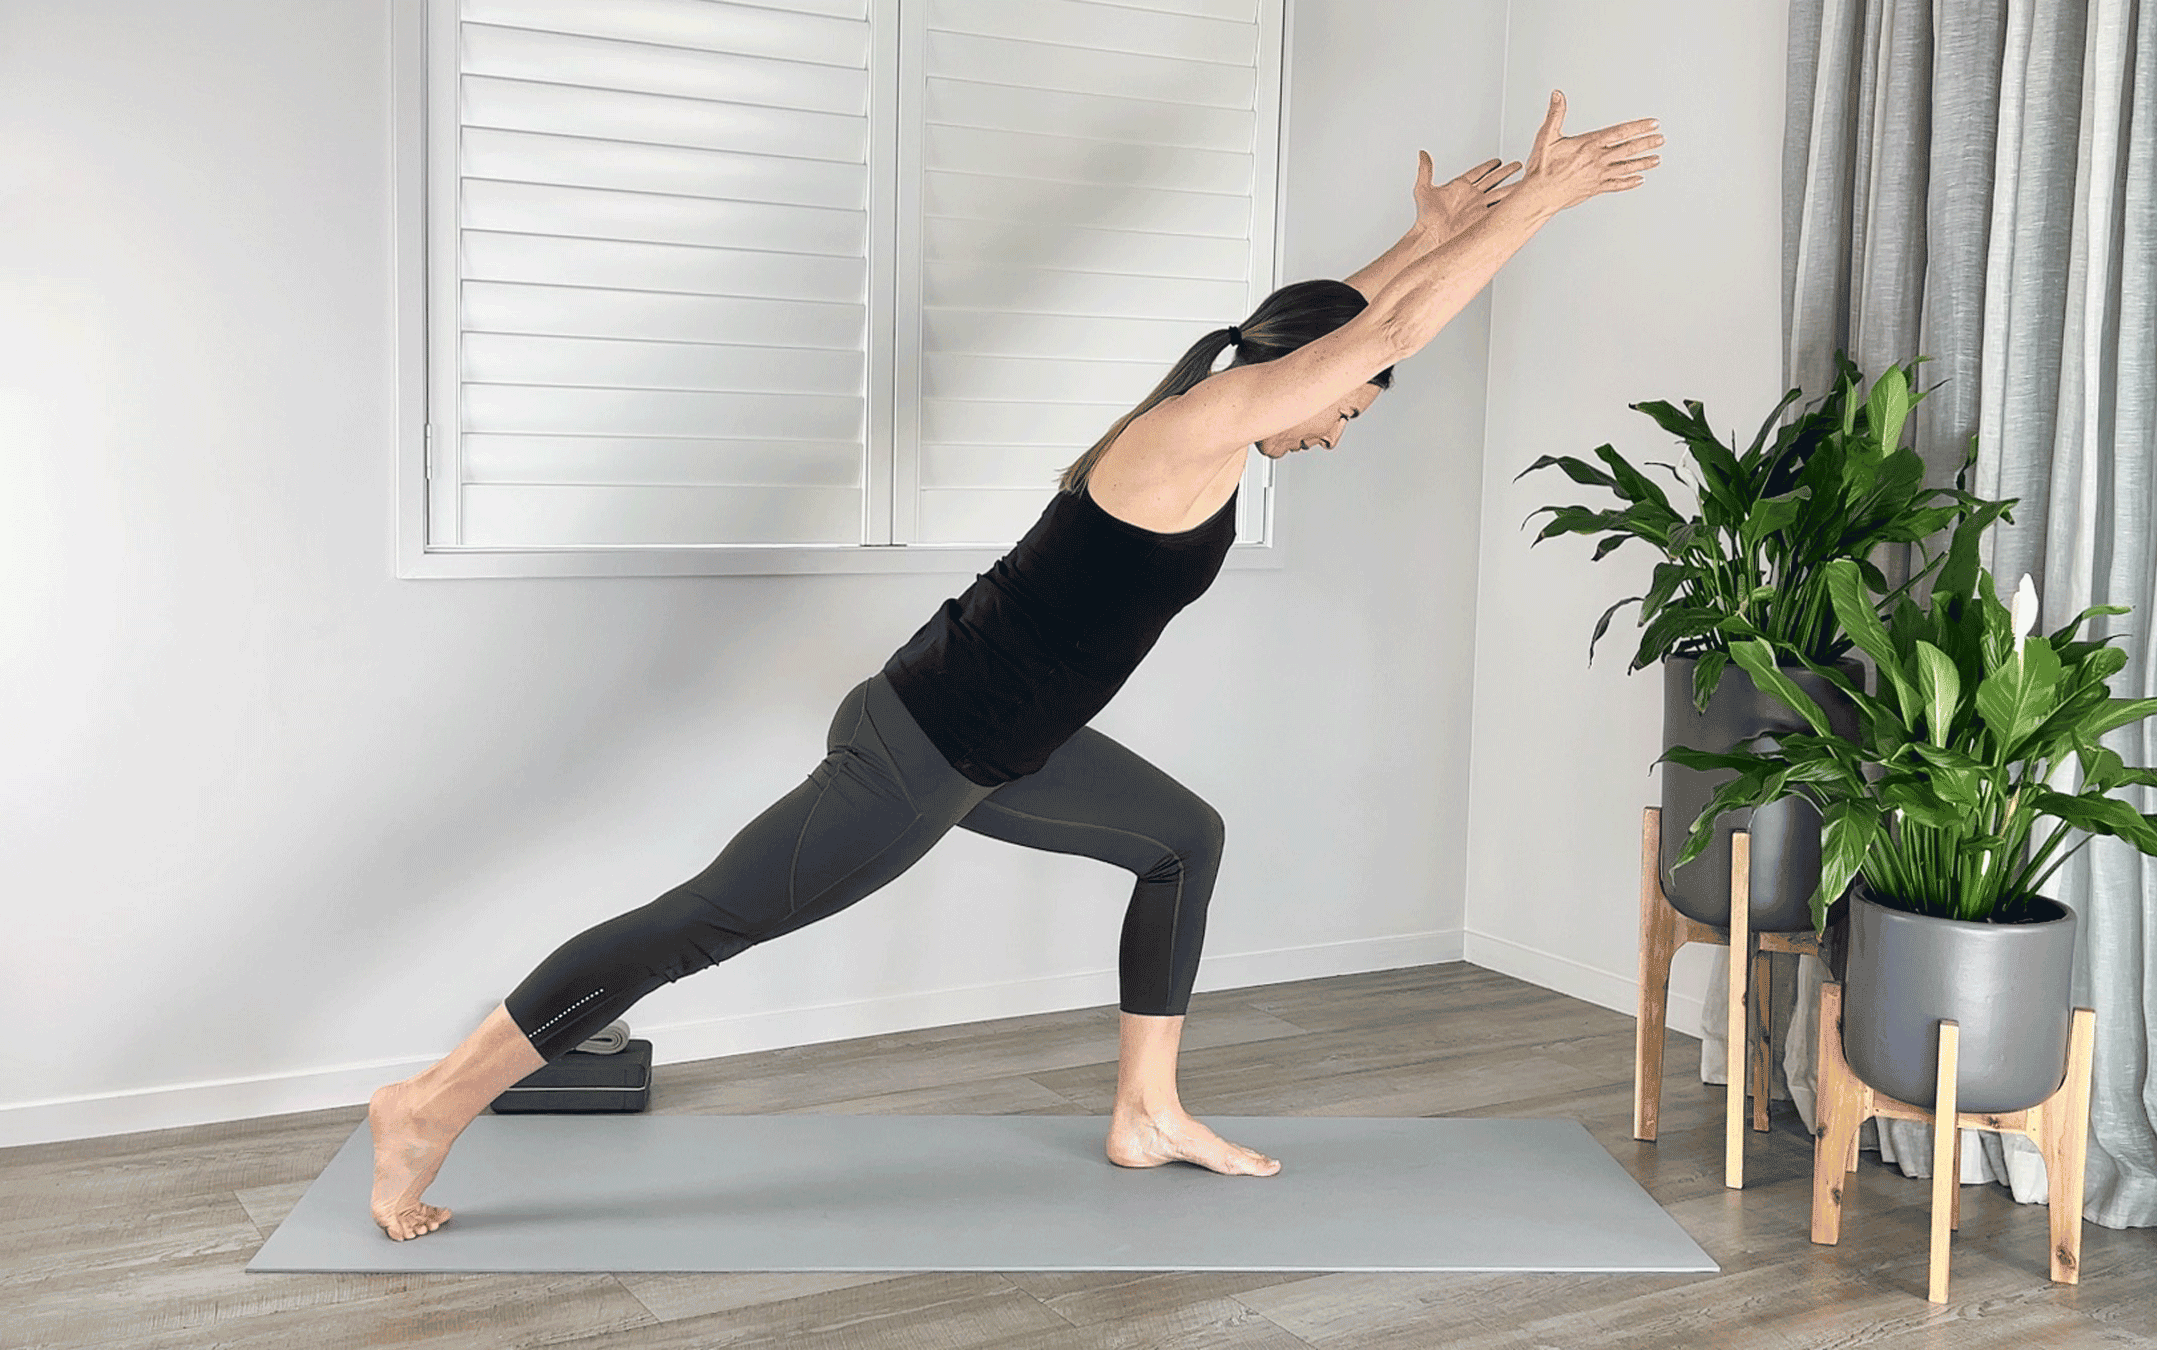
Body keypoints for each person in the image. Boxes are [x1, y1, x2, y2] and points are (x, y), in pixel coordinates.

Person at [367, 91, 1664, 1242]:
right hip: (921, 751)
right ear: (1298, 383)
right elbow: (1377, 336)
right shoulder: (1203, 425)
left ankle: (1145, 1112)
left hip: (999, 745)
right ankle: (427, 1103)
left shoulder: (1223, 380)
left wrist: (1432, 234)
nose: (1337, 429)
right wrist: (1542, 201)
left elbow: (1343, 323)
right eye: (1346, 407)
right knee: (702, 921)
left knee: (1180, 839)